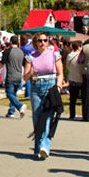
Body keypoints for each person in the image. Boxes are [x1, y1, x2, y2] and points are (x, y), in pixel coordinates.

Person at [24, 31, 64, 160]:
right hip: (36, 86)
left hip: (50, 86)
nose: (42, 43)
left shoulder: (54, 55)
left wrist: (58, 86)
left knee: (47, 118)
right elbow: (25, 77)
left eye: (45, 40)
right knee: (37, 118)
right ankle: (38, 147)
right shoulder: (31, 57)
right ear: (35, 42)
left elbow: (60, 73)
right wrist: (29, 73)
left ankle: (45, 146)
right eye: (40, 41)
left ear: (48, 42)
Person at [1, 35, 28, 119]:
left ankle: (20, 106)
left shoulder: (7, 51)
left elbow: (2, 63)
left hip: (10, 76)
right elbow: (25, 63)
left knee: (9, 94)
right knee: (14, 95)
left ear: (11, 42)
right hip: (18, 76)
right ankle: (11, 112)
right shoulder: (21, 52)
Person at [66, 41, 85, 120]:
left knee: (72, 99)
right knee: (83, 98)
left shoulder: (69, 56)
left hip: (72, 78)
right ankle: (84, 114)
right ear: (79, 47)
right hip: (80, 79)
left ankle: (72, 114)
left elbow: (67, 66)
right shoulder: (81, 56)